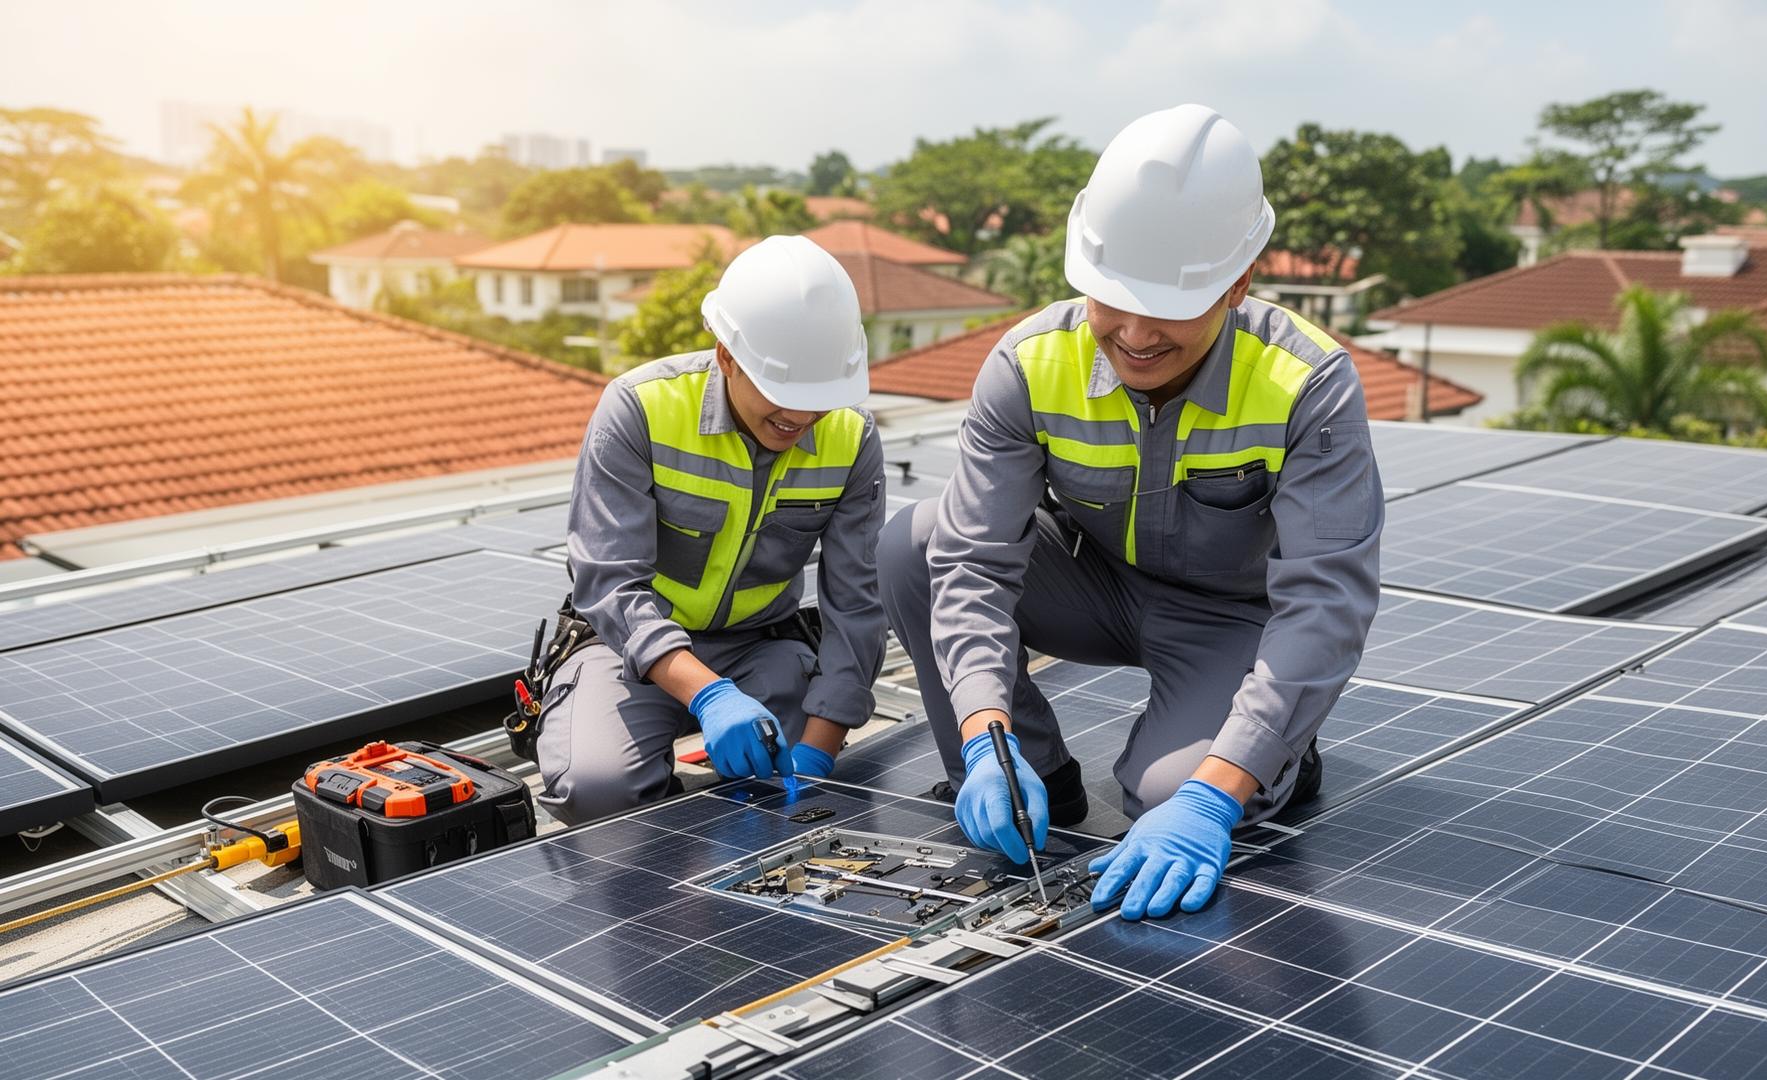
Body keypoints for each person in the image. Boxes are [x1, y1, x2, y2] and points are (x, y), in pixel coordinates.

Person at [878, 104, 1384, 919]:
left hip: (1229, 620)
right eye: (1114, 299)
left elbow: (1326, 601)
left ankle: (1275, 755)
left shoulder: (1306, 383)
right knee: (914, 542)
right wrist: (982, 732)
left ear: (1238, 283)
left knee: (1165, 793)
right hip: (1090, 581)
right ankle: (1029, 777)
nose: (1137, 334)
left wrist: (1218, 793)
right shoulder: (1029, 364)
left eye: (1170, 306)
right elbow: (972, 562)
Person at [535, 235, 887, 824]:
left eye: (817, 401)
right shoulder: (639, 409)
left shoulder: (853, 439)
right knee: (598, 790)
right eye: (780, 395)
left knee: (788, 780)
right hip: (626, 646)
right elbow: (608, 582)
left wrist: (817, 755)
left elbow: (858, 605)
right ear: (726, 355)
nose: (799, 420)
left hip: (761, 645)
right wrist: (710, 694)